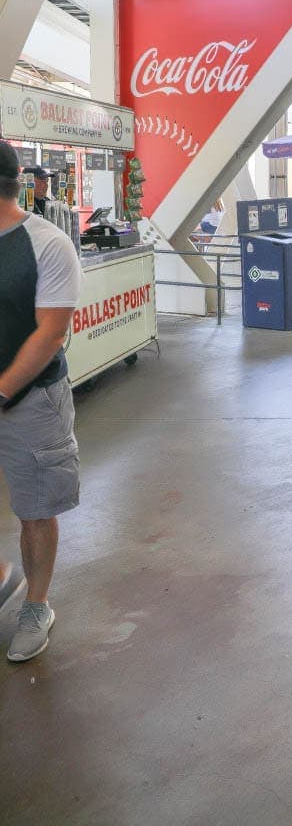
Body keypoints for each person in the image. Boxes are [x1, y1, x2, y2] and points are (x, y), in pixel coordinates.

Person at [0, 140, 82, 662]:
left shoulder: (47, 244)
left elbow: (51, 332)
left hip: (33, 401)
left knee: (35, 508)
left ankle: (36, 603)